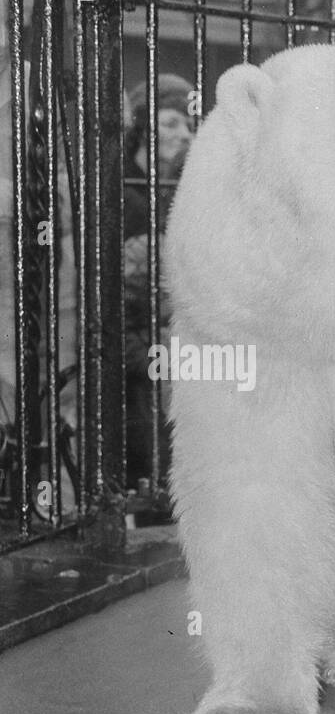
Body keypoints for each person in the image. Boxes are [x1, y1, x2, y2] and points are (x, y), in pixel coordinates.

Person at [121, 72, 194, 492]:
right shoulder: (128, 196)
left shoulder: (173, 193)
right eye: (170, 123)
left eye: (187, 124)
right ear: (141, 128)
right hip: (141, 357)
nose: (184, 134)